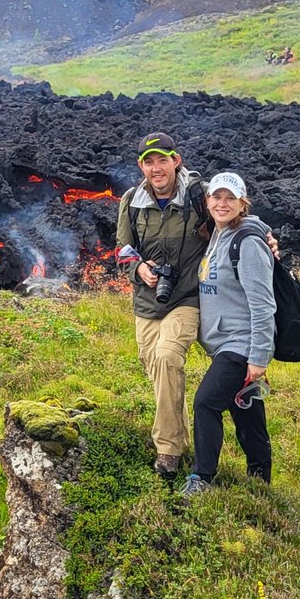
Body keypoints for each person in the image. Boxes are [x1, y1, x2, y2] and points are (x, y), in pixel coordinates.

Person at [115, 133, 212, 478]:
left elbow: (232, 220)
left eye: (162, 160)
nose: (156, 168)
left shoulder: (199, 195)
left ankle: (167, 451)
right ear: (141, 166)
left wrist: (263, 239)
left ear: (176, 160)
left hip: (187, 296)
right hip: (146, 299)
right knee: (158, 368)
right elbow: (123, 250)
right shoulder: (131, 201)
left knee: (168, 356)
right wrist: (139, 268)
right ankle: (179, 436)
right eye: (149, 162)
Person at [181, 172, 274, 495]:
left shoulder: (247, 242)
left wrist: (259, 356)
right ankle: (260, 480)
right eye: (216, 197)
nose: (222, 203)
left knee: (206, 403)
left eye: (230, 198)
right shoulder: (217, 234)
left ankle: (201, 478)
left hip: (241, 344)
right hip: (224, 343)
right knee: (246, 411)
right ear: (207, 202)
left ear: (242, 203)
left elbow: (263, 305)